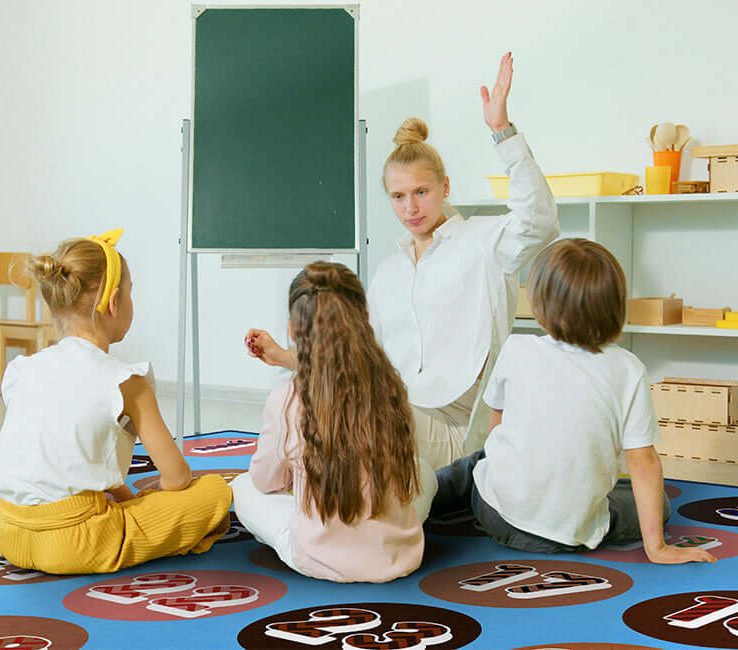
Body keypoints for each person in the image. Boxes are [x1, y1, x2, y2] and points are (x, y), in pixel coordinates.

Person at [247, 53, 559, 469]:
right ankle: (302, 490)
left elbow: (540, 221)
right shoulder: (388, 273)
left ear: (445, 186)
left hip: (456, 431)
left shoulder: (484, 243)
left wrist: (502, 131)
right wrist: (288, 358)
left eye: (421, 192)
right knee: (307, 397)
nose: (410, 207)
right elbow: (360, 355)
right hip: (393, 416)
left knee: (346, 406)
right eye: (398, 196)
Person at [431, 238, 716, 564]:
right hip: (571, 533)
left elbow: (497, 423)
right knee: (658, 502)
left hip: (496, 514)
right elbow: (643, 462)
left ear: (539, 307)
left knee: (477, 464)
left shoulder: (517, 348)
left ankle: (415, 500)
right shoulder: (628, 370)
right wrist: (658, 548)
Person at [0, 229, 232, 574]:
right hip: (78, 544)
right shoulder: (127, 381)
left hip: (11, 535)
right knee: (214, 491)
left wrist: (123, 495)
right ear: (114, 302)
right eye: (131, 293)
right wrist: (157, 497)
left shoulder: (21, 369)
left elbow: (60, 452)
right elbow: (177, 476)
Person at [233, 262, 438, 583]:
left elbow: (265, 480)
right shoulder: (390, 384)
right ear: (366, 319)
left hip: (318, 559)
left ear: (292, 331)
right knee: (424, 471)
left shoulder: (286, 398)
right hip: (399, 556)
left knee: (243, 486)